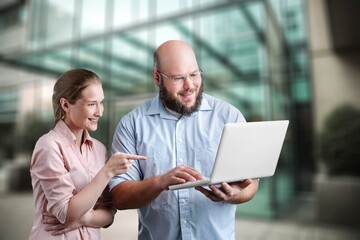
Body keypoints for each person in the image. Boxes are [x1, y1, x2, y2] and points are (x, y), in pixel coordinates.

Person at [109, 40, 259, 239]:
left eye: (194, 74)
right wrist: (160, 182)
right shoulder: (132, 124)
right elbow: (119, 197)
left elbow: (251, 185)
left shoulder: (229, 117)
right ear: (157, 78)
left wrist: (234, 194)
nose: (189, 86)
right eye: (178, 78)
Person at [28, 68, 146, 240]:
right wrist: (107, 171)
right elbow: (67, 214)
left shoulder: (99, 149)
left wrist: (86, 218)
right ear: (66, 105)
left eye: (101, 102)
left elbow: (109, 213)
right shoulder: (49, 146)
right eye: (91, 104)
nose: (100, 111)